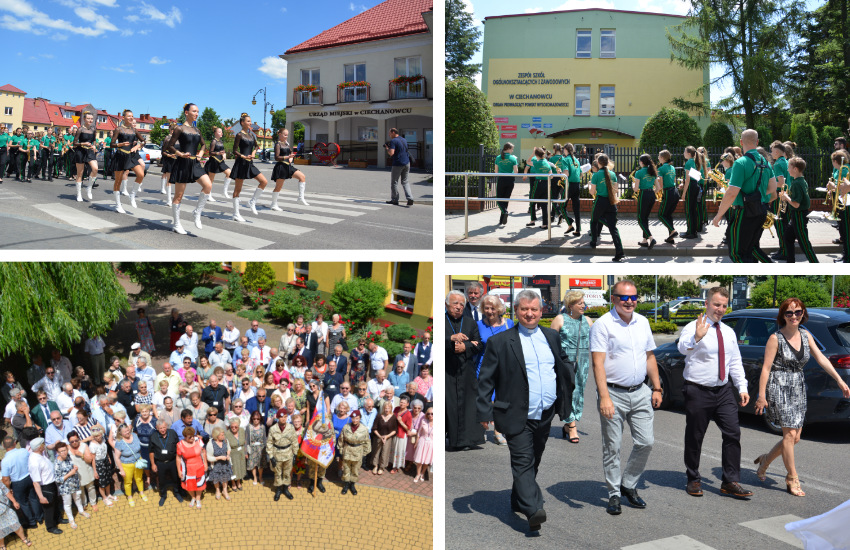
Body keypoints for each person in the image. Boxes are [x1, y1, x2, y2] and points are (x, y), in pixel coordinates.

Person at [475, 289, 574, 532]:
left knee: (534, 459)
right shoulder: (500, 341)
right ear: (516, 311)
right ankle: (533, 508)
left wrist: (566, 394)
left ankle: (517, 497)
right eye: (524, 309)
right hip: (515, 413)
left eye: (534, 309)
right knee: (522, 461)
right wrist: (485, 413)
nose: (529, 314)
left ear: (542, 311)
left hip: (545, 412)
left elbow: (562, 366)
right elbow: (486, 379)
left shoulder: (551, 336)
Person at [754, 298, 850, 497]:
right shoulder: (775, 339)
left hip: (798, 386)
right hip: (779, 386)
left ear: (803, 313)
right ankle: (792, 477)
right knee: (789, 435)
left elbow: (821, 358)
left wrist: (839, 380)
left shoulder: (806, 335)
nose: (794, 316)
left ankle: (765, 461)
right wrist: (761, 396)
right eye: (789, 313)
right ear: (783, 316)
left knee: (795, 438)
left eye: (797, 312)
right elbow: (766, 368)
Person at [590, 280, 662, 516]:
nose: (630, 302)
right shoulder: (603, 325)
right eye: (624, 297)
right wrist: (604, 398)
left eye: (633, 298)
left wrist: (657, 388)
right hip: (613, 393)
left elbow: (649, 356)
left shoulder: (642, 322)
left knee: (646, 442)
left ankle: (628, 484)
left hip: (640, 391)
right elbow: (598, 363)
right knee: (613, 446)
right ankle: (613, 494)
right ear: (614, 299)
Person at [677, 287, 753, 499]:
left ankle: (730, 481)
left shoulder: (728, 331)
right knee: (695, 436)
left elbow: (735, 361)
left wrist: (742, 386)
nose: (720, 309)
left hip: (723, 391)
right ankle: (693, 478)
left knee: (732, 433)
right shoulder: (694, 326)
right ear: (707, 304)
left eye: (724, 306)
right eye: (716, 304)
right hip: (698, 390)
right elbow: (682, 348)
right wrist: (696, 338)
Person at [712, 128, 778, 263]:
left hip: (744, 212)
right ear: (757, 141)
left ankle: (752, 282)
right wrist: (758, 196)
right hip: (761, 210)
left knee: (737, 254)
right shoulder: (766, 162)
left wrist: (718, 216)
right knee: (749, 250)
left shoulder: (741, 162)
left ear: (741, 142)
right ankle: (768, 280)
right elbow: (773, 189)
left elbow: (731, 193)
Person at [550, 290, 594, 443]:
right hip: (565, 362)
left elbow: (595, 343)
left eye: (584, 303)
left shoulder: (588, 321)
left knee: (579, 392)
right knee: (569, 392)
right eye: (580, 303)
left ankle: (569, 425)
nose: (583, 305)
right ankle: (572, 425)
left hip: (583, 361)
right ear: (570, 305)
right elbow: (550, 342)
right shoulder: (560, 319)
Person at [445, 290, 484, 451]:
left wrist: (465, 346)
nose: (459, 307)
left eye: (462, 304)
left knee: (468, 405)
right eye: (455, 303)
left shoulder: (470, 322)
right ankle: (453, 441)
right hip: (447, 371)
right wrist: (450, 340)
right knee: (451, 406)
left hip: (466, 371)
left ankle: (467, 440)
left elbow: (479, 344)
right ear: (447, 304)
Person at [474, 294, 514, 446]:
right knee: (484, 398)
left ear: (499, 309)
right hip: (482, 366)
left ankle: (498, 431)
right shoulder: (478, 325)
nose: (489, 311)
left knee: (500, 399)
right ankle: (482, 428)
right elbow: (476, 345)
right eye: (486, 308)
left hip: (503, 367)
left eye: (492, 308)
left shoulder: (509, 324)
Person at [230, 113, 268, 221]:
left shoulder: (251, 135)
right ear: (242, 123)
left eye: (250, 121)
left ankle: (252, 201)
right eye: (248, 121)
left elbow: (256, 146)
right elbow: (234, 151)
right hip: (241, 164)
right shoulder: (239, 135)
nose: (250, 123)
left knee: (264, 182)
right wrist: (243, 155)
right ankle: (236, 213)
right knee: (238, 190)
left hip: (250, 163)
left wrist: (254, 152)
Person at [779, 157, 818, 263]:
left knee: (804, 243)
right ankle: (790, 262)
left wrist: (785, 197)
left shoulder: (796, 183)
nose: (787, 170)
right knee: (787, 237)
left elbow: (796, 204)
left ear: (795, 169)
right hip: (797, 215)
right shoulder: (801, 180)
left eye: (789, 167)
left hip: (799, 214)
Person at [588, 154, 625, 261]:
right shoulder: (613, 174)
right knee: (613, 228)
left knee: (594, 221)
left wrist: (590, 184)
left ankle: (594, 242)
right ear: (607, 162)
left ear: (598, 163)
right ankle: (619, 252)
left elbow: (592, 192)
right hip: (611, 202)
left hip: (600, 201)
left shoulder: (596, 175)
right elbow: (616, 190)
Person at [109, 110, 146, 213]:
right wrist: (119, 144)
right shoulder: (119, 129)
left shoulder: (134, 130)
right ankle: (118, 204)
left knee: (141, 174)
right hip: (120, 155)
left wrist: (138, 145)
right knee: (118, 181)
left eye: (132, 116)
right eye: (128, 116)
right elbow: (112, 144)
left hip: (131, 155)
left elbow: (144, 141)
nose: (131, 118)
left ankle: (132, 195)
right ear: (123, 118)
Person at [0, 436, 40, 529]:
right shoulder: (23, 451)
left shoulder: (5, 461)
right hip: (29, 477)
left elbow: (5, 479)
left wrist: (8, 489)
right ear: (14, 443)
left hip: (17, 483)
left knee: (23, 503)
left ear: (4, 446)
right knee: (34, 498)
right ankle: (40, 517)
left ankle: (32, 522)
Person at [29, 438, 65, 535]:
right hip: (45, 487)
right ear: (39, 447)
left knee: (55, 503)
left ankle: (58, 519)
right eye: (43, 444)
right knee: (49, 509)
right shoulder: (34, 462)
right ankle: (51, 527)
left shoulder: (41, 454)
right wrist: (41, 497)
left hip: (52, 484)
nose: (44, 445)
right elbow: (35, 482)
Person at [270, 127, 309, 208]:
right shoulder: (278, 144)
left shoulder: (286, 144)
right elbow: (277, 157)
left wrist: (291, 157)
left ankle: (300, 198)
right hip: (281, 167)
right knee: (278, 187)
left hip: (288, 166)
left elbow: (291, 152)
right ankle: (273, 204)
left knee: (302, 177)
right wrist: (288, 156)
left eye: (287, 135)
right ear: (280, 135)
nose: (286, 137)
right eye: (285, 135)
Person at [523, 147, 561, 229]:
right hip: (546, 184)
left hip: (538, 183)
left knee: (532, 201)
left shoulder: (536, 162)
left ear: (536, 154)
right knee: (545, 204)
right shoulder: (547, 163)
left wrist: (532, 153)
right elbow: (551, 176)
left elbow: (528, 162)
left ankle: (532, 220)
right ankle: (545, 224)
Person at [53, 442, 88, 529]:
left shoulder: (68, 457)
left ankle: (81, 511)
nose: (64, 452)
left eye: (65, 450)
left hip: (74, 484)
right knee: (68, 503)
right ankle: (71, 520)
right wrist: (70, 473)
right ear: (58, 452)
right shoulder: (57, 464)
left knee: (77, 498)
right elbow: (57, 479)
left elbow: (71, 465)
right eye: (61, 451)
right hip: (65, 488)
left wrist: (74, 467)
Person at [148, 420, 182, 507]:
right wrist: (153, 464)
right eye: (160, 428)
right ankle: (163, 495)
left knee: (176, 478)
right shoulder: (154, 436)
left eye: (164, 427)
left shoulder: (172, 433)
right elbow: (151, 451)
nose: (163, 430)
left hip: (173, 461)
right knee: (162, 480)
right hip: (160, 463)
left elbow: (178, 445)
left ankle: (177, 493)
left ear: (166, 426)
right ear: (157, 428)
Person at [337, 409, 370, 496]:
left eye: (357, 418)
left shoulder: (364, 429)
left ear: (360, 418)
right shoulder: (346, 427)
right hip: (347, 450)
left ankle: (352, 485)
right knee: (346, 469)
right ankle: (346, 484)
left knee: (355, 470)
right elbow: (341, 439)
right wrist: (340, 449)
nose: (355, 420)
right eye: (353, 418)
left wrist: (364, 453)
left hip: (357, 451)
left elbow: (367, 442)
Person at [266, 411, 297, 501]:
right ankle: (278, 489)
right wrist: (271, 456)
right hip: (277, 454)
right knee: (278, 473)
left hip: (288, 454)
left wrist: (295, 454)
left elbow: (294, 441)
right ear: (278, 418)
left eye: (285, 417)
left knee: (287, 473)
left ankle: (286, 489)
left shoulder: (291, 428)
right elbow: (269, 443)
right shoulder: (273, 429)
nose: (283, 419)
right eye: (281, 417)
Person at [176, 427, 208, 509]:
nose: (192, 438)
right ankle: (193, 497)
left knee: (199, 484)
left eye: (193, 436)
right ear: (185, 437)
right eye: (190, 437)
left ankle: (198, 498)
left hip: (199, 466)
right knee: (189, 485)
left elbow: (203, 452)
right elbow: (178, 458)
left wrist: (206, 464)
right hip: (187, 468)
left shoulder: (199, 441)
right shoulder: (180, 444)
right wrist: (179, 471)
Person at [384, 128, 413, 206]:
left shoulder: (393, 141)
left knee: (394, 182)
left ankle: (395, 199)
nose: (389, 135)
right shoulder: (404, 140)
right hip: (407, 163)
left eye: (389, 133)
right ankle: (410, 198)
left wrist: (387, 148)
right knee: (405, 181)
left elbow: (391, 153)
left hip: (398, 164)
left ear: (393, 132)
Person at [0, 476, 30, 548]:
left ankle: (23, 538)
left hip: (6, 509)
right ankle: (2, 545)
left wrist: (14, 501)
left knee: (15, 524)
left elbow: (6, 491)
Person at [203, 127, 232, 202]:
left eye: (221, 132)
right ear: (215, 133)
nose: (221, 133)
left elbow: (223, 150)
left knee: (229, 173)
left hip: (221, 161)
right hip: (214, 161)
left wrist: (224, 154)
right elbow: (210, 152)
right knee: (210, 180)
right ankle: (208, 195)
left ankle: (224, 191)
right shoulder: (214, 141)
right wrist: (218, 153)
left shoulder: (221, 141)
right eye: (219, 132)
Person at [493, 142, 519, 225]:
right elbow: (516, 172)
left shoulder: (498, 158)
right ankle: (502, 218)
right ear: (508, 149)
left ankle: (504, 213)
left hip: (501, 179)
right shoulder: (513, 158)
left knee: (499, 199)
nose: (512, 150)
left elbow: (496, 171)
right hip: (510, 180)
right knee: (506, 199)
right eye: (512, 149)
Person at [205, 427, 233, 501]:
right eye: (222, 435)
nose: (223, 437)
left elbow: (229, 449)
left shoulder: (225, 441)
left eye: (223, 435)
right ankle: (217, 490)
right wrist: (219, 457)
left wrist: (228, 455)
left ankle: (225, 490)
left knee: (225, 477)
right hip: (216, 465)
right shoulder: (210, 444)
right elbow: (209, 457)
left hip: (225, 464)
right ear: (216, 436)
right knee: (216, 478)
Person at [225, 417, 246, 492]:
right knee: (233, 469)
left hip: (241, 453)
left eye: (236, 427)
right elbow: (226, 446)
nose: (233, 428)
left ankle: (238, 481)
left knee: (240, 468)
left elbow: (245, 442)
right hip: (232, 454)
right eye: (232, 426)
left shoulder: (242, 430)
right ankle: (233, 483)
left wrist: (245, 452)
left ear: (239, 426)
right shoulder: (227, 433)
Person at [413, 406, 433, 483]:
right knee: (419, 461)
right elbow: (419, 433)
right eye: (428, 413)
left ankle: (422, 473)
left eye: (432, 414)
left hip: (431, 444)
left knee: (426, 461)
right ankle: (418, 474)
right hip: (422, 441)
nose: (430, 415)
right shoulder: (424, 421)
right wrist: (416, 442)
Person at [245, 411, 266, 486]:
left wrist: (266, 450)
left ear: (260, 419)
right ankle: (255, 477)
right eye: (254, 419)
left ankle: (260, 477)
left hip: (261, 448)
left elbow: (264, 439)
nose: (256, 420)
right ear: (252, 419)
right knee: (253, 465)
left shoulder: (263, 427)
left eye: (258, 419)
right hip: (252, 448)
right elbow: (246, 440)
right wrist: (245, 452)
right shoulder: (249, 427)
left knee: (260, 465)